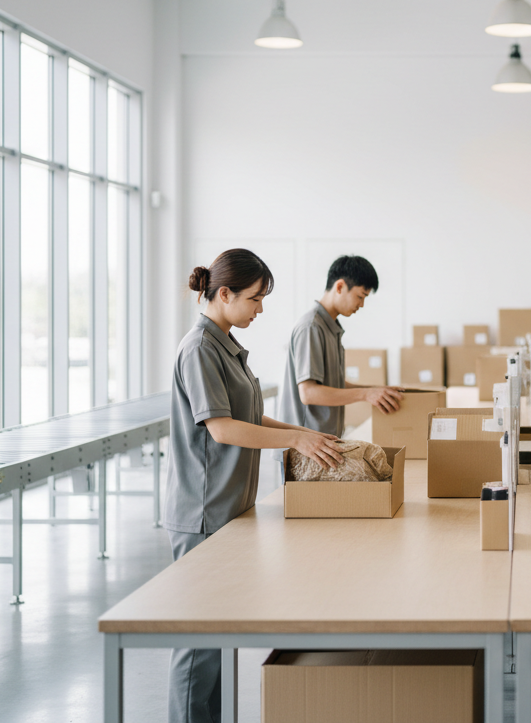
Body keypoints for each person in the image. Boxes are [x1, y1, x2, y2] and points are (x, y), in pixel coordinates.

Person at [164, 249, 345, 723]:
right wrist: (294, 440)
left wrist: (302, 434)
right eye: (255, 299)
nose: (259, 309)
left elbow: (246, 414)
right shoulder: (200, 348)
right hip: (203, 513)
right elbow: (222, 429)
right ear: (223, 294)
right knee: (199, 648)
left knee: (218, 639)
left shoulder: (224, 342)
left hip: (229, 510)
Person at [275, 255, 403, 440]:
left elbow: (333, 385)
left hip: (322, 442)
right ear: (340, 286)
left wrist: (376, 390)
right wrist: (366, 394)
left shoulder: (330, 327)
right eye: (360, 296)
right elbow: (309, 393)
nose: (362, 304)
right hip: (303, 447)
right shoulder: (311, 327)